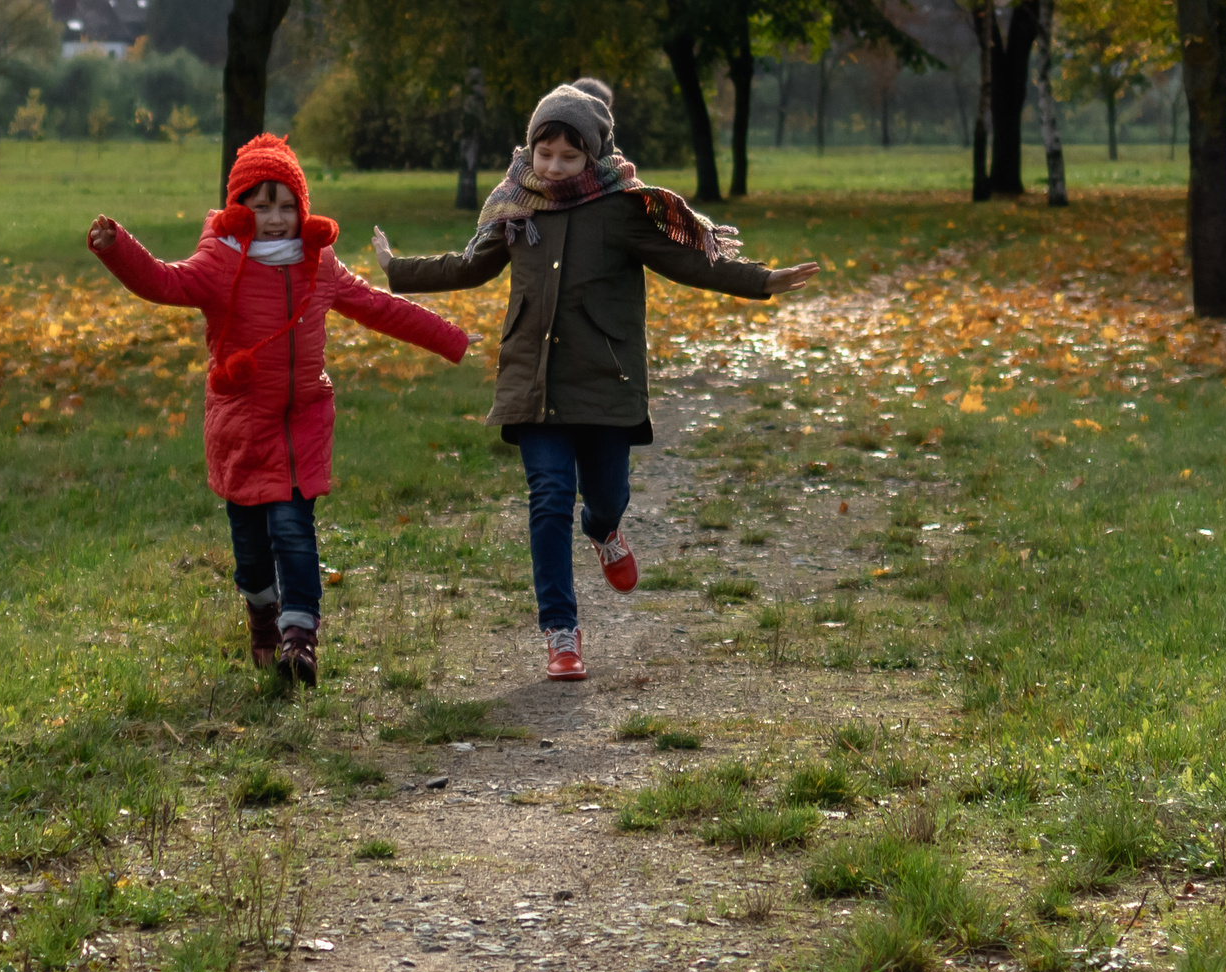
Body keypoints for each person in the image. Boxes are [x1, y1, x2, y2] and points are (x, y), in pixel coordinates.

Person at [372, 79, 817, 681]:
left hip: (606, 382)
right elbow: (472, 263)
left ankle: (605, 528)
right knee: (549, 496)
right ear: (530, 150)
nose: (553, 167)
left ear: (594, 156)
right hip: (535, 383)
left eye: (569, 155)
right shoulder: (515, 204)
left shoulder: (623, 208)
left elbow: (689, 262)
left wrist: (762, 280)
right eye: (544, 153)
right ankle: (561, 632)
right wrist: (398, 269)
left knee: (605, 494)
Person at [88, 133, 470, 686]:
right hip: (242, 426)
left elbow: (379, 307)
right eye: (260, 205)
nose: (274, 218)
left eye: (286, 206)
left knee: (293, 530)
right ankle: (263, 616)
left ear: (304, 211)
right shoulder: (220, 264)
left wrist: (451, 339)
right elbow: (163, 282)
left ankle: (300, 640)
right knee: (249, 550)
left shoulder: (321, 266)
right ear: (237, 211)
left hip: (302, 422)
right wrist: (115, 247)